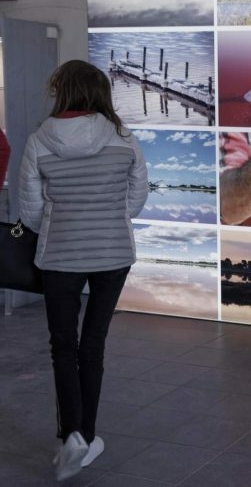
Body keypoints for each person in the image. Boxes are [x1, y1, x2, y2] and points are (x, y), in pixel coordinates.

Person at [17, 60, 149, 481]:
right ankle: (87, 438)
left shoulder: (40, 140)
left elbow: (30, 209)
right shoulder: (122, 138)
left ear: (63, 92)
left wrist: (63, 226)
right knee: (93, 346)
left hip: (60, 256)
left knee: (63, 346)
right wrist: (110, 220)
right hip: (113, 254)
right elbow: (138, 194)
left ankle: (70, 434)